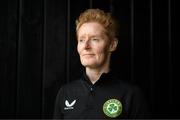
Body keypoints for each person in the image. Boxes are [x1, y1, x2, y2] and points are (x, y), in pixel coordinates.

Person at [53, 8, 149, 119]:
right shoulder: (66, 92)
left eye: (95, 39)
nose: (86, 46)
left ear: (112, 45)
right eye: (81, 40)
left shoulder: (131, 95)